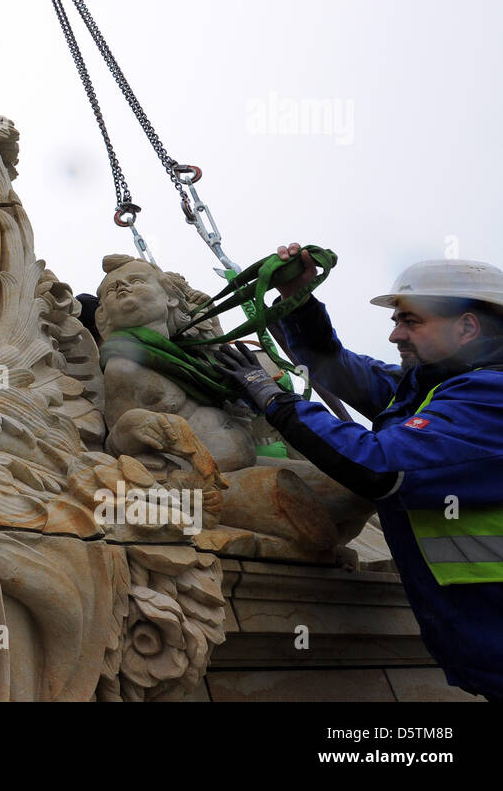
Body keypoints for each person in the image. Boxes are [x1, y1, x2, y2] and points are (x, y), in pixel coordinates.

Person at [210, 243, 503, 700]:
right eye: (395, 321)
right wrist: (298, 299)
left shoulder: (490, 398)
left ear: (467, 327)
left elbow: (379, 467)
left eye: (411, 321)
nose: (395, 336)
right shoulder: (422, 387)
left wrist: (272, 398)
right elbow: (336, 368)